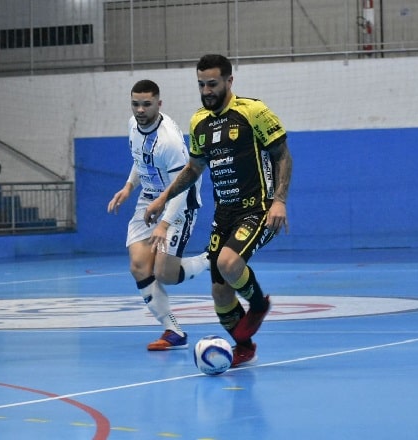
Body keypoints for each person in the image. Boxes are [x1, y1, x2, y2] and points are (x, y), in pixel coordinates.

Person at [143, 54, 293, 367]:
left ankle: (257, 303)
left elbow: (282, 156)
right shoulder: (199, 121)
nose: (207, 90)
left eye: (212, 83)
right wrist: (162, 198)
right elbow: (194, 168)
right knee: (219, 293)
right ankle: (244, 346)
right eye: (201, 84)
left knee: (228, 262)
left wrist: (279, 200)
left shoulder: (252, 111)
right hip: (224, 213)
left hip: (256, 208)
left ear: (229, 81)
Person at [107, 79, 209, 351]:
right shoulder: (133, 124)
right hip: (148, 200)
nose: (140, 109)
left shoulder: (169, 142)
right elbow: (140, 159)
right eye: (135, 104)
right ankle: (173, 331)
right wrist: (129, 186)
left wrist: (164, 224)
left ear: (159, 104)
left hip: (177, 202)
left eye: (146, 104)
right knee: (139, 266)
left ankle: (211, 259)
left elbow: (181, 185)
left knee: (164, 273)